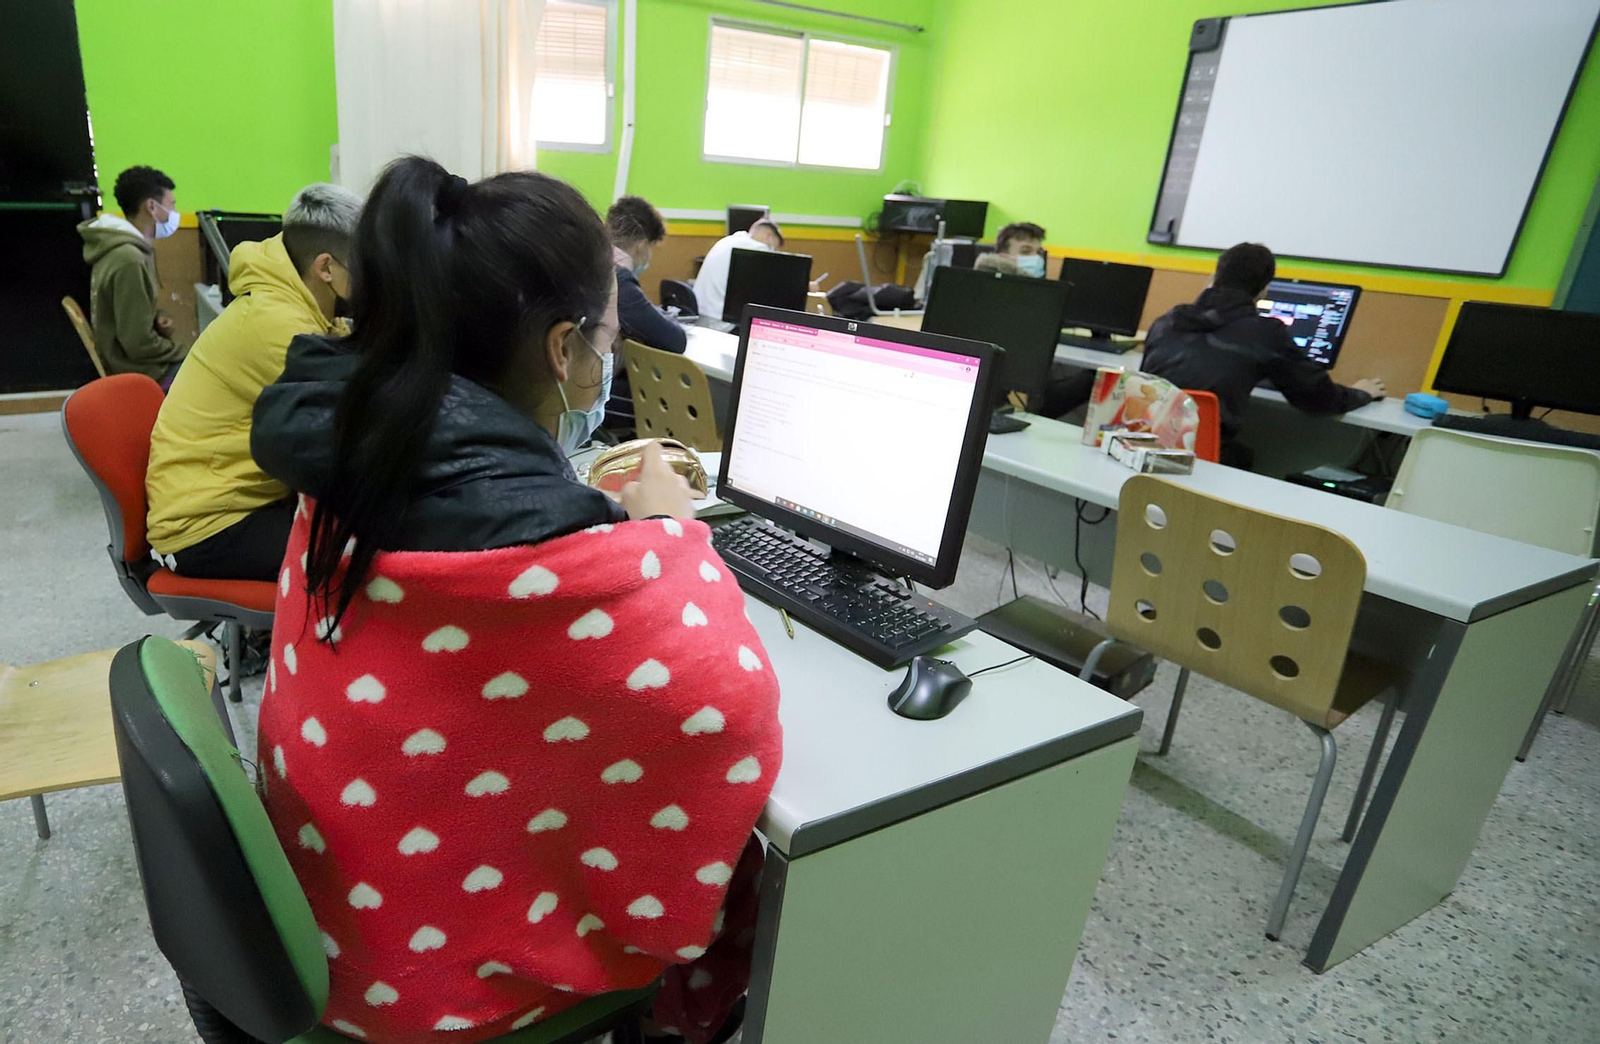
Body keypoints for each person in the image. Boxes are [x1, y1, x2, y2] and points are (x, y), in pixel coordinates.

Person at [250, 156, 781, 1044]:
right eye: (605, 343)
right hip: (430, 991)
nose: (604, 361)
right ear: (564, 350)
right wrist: (674, 539)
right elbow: (729, 715)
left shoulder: (349, 442)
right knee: (761, 862)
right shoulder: (528, 554)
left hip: (336, 918)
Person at [145, 183, 362, 582]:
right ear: (326, 268)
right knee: (366, 559)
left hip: (246, 498)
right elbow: (354, 416)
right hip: (205, 526)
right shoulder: (278, 324)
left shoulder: (294, 301)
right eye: (367, 266)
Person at [1141, 242, 1386, 468]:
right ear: (1263, 291)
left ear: (1213, 277)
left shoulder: (1167, 321)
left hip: (1142, 447)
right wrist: (1361, 393)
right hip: (1199, 459)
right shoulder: (1266, 333)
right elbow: (1318, 400)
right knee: (1244, 456)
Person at [78, 165, 189, 380]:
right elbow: (138, 343)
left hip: (130, 359)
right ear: (152, 207)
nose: (174, 213)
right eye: (172, 205)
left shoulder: (124, 249)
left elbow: (128, 314)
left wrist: (155, 318)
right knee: (212, 374)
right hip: (136, 369)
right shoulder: (129, 259)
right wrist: (185, 352)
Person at [607, 195, 686, 355]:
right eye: (651, 248)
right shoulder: (618, 279)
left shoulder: (595, 263)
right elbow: (675, 339)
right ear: (642, 246)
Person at [693, 217, 783, 323]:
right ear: (767, 236)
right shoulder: (758, 248)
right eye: (774, 247)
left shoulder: (730, 240)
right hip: (720, 321)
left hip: (700, 313)